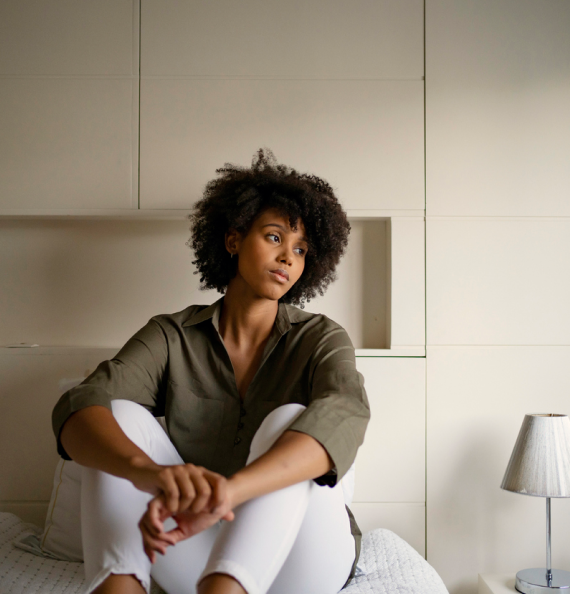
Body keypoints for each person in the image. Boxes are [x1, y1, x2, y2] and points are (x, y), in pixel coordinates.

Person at [51, 149, 371, 594]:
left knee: (287, 419)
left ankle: (226, 586)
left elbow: (345, 412)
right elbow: (80, 407)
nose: (288, 259)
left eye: (300, 250)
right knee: (118, 415)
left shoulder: (320, 337)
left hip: (304, 559)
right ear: (234, 239)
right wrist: (149, 474)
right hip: (191, 546)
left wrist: (231, 492)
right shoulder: (171, 335)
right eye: (275, 237)